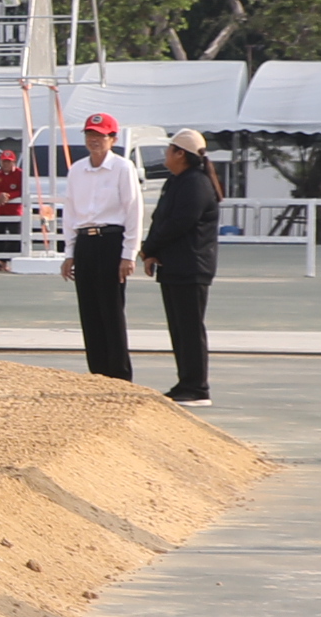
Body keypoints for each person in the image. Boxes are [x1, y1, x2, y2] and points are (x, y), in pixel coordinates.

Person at [48, 113, 143, 382]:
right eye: (90, 134)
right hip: (86, 241)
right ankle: (97, 371)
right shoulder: (77, 169)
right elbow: (70, 211)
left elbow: (133, 211)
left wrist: (129, 253)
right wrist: (69, 252)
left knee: (111, 309)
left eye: (100, 135)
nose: (94, 140)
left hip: (112, 239)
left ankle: (119, 374)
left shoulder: (123, 168)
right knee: (89, 309)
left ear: (112, 138)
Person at [138, 127, 226, 407]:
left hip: (191, 265)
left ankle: (198, 387)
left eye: (169, 149)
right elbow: (160, 219)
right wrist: (152, 251)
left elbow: (179, 223)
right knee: (179, 327)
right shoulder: (178, 181)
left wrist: (149, 248)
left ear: (181, 154)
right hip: (175, 265)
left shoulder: (196, 183)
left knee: (189, 328)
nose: (165, 154)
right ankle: (186, 382)